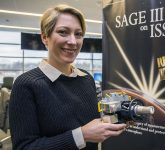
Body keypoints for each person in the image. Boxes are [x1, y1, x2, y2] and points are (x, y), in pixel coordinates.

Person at [9, 4, 126, 150]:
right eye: (63, 32)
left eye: (78, 34)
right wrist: (82, 135)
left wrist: (119, 119)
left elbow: (93, 124)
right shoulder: (26, 85)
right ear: (45, 37)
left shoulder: (86, 78)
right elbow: (24, 147)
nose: (73, 42)